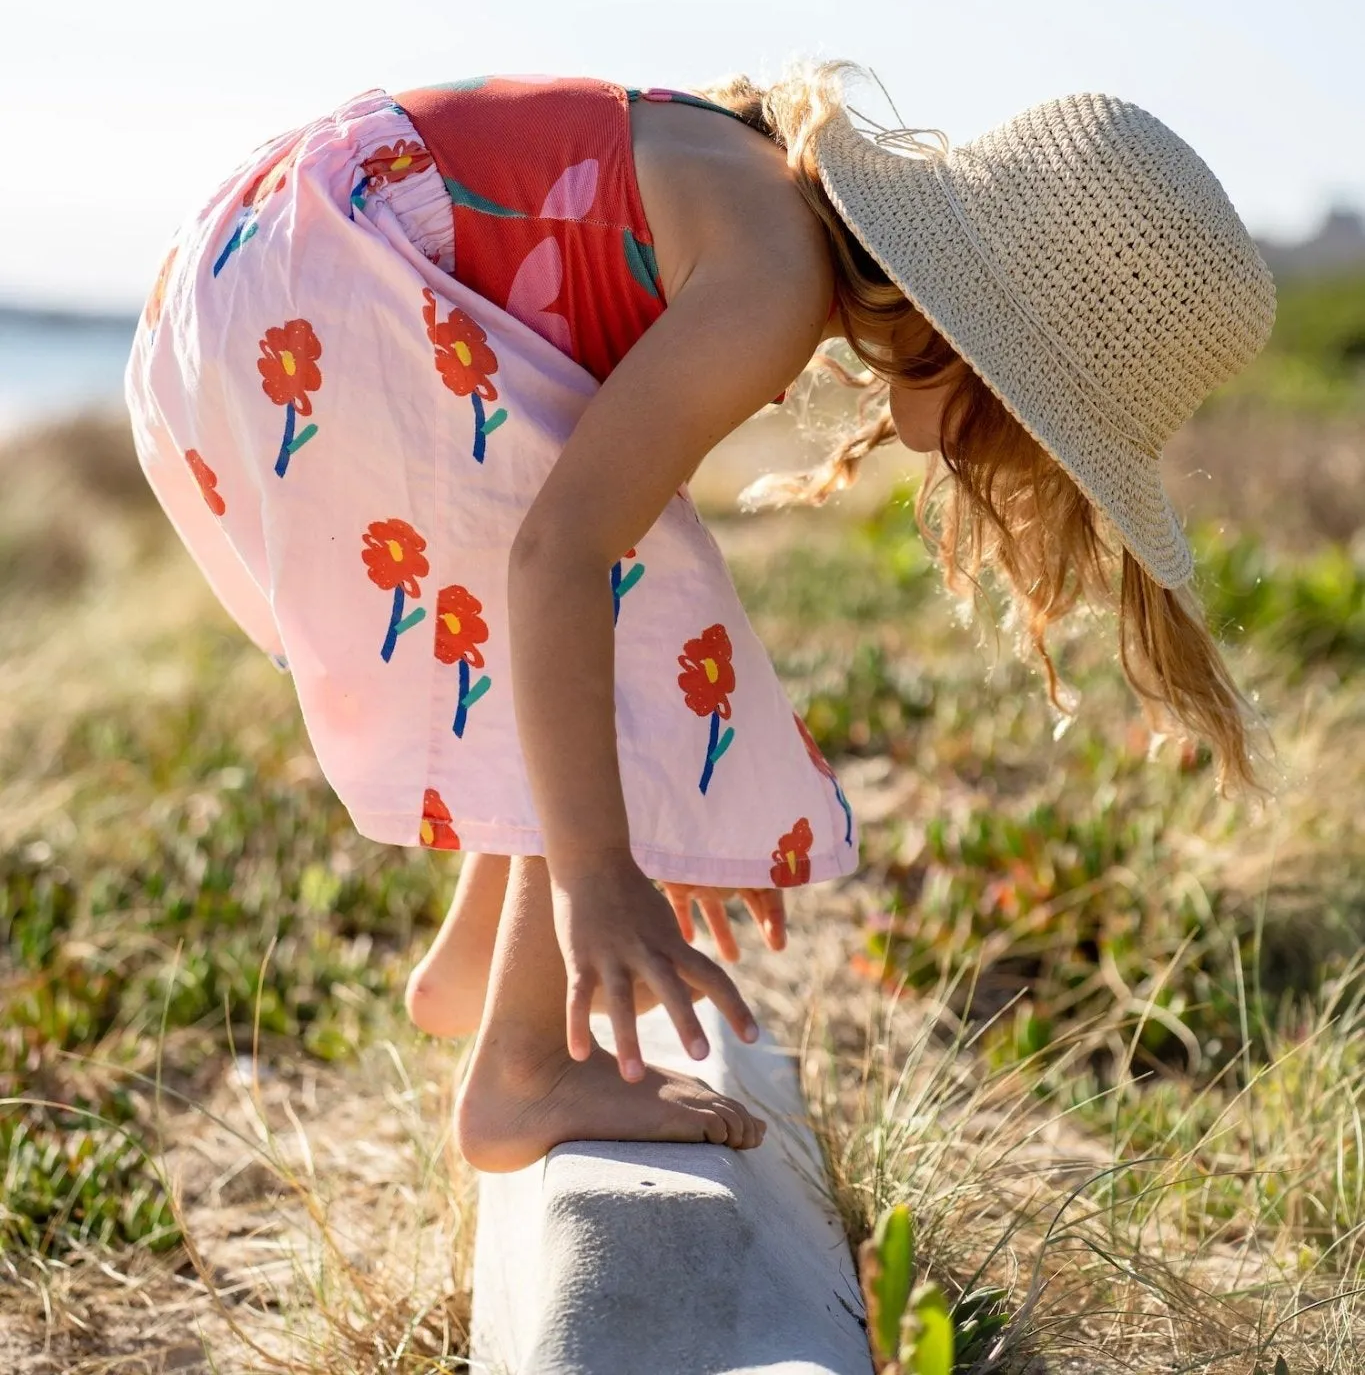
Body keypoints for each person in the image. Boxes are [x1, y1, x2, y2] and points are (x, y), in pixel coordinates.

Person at [125, 64, 1276, 1172]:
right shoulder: (772, 282)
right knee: (628, 589)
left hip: (261, 257)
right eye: (1037, 422)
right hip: (320, 283)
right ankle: (527, 1062)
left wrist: (672, 789)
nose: (1015, 458)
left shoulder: (756, 184)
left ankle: (479, 962)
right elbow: (560, 558)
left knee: (620, 559)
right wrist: (601, 873)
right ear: (979, 337)